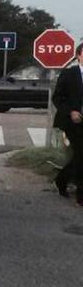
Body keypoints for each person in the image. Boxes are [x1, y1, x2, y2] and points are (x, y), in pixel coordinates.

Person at [53, 43, 83, 206]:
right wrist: (71, 112)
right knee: (81, 154)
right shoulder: (69, 74)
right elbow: (57, 97)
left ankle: (62, 179)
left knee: (80, 156)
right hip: (73, 121)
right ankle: (81, 196)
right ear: (79, 55)